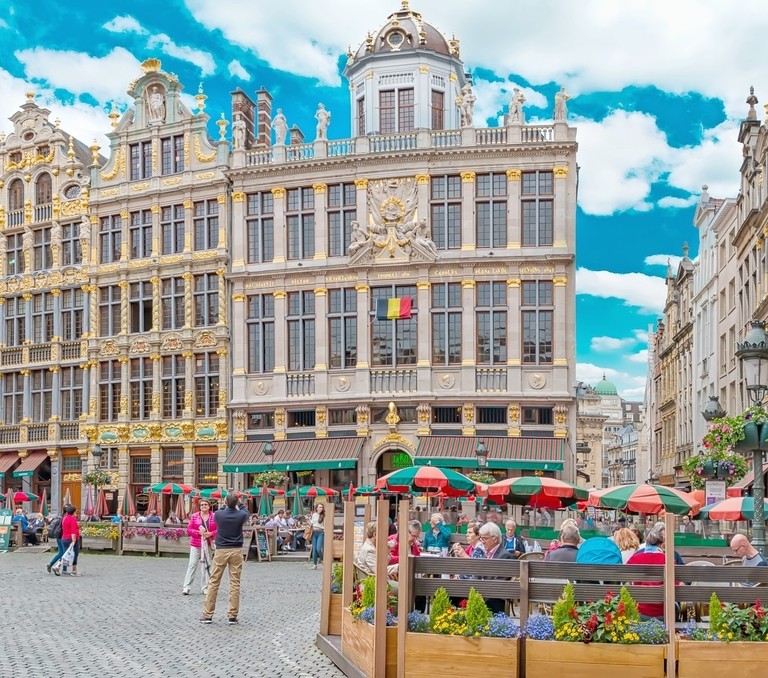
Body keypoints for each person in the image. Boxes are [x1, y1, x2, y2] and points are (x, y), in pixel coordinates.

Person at [200, 493, 249, 624]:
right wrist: (240, 503)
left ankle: (208, 614)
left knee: (214, 581)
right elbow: (245, 510)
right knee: (235, 583)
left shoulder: (219, 515)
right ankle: (232, 615)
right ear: (236, 503)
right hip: (236, 550)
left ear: (225, 503)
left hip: (221, 550)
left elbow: (219, 511)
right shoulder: (241, 515)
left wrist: (225, 504)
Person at [626, 526, 668, 620]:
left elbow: (627, 582)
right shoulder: (667, 560)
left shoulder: (634, 559)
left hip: (639, 612)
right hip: (662, 613)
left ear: (646, 542)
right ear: (662, 544)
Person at [183, 499, 217, 596]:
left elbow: (219, 529)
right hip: (196, 544)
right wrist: (198, 533)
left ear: (209, 506)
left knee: (207, 565)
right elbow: (189, 530)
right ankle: (186, 587)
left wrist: (211, 533)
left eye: (205, 504)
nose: (203, 506)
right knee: (192, 565)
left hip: (208, 544)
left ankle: (205, 587)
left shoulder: (214, 516)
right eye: (202, 505)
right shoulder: (194, 516)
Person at [478, 523, 514, 613]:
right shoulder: (484, 553)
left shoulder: (505, 555)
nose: (482, 541)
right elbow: (477, 574)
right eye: (481, 538)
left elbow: (499, 582)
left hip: (494, 598)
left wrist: (481, 593)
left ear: (495, 539)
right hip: (482, 594)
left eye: (485, 538)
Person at [52, 504, 80, 576]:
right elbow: (73, 531)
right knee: (75, 554)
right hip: (71, 539)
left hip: (64, 538)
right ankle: (74, 571)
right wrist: (74, 541)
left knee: (65, 554)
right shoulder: (72, 519)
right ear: (73, 512)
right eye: (75, 512)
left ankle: (57, 566)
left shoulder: (65, 518)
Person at [310, 503, 325, 569]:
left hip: (320, 532)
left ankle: (323, 559)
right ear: (316, 508)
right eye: (319, 507)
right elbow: (312, 523)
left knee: (318, 549)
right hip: (314, 532)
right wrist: (308, 520)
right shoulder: (314, 514)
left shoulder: (324, 515)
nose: (321, 508)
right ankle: (315, 564)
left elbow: (325, 525)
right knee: (314, 549)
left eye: (322, 507)